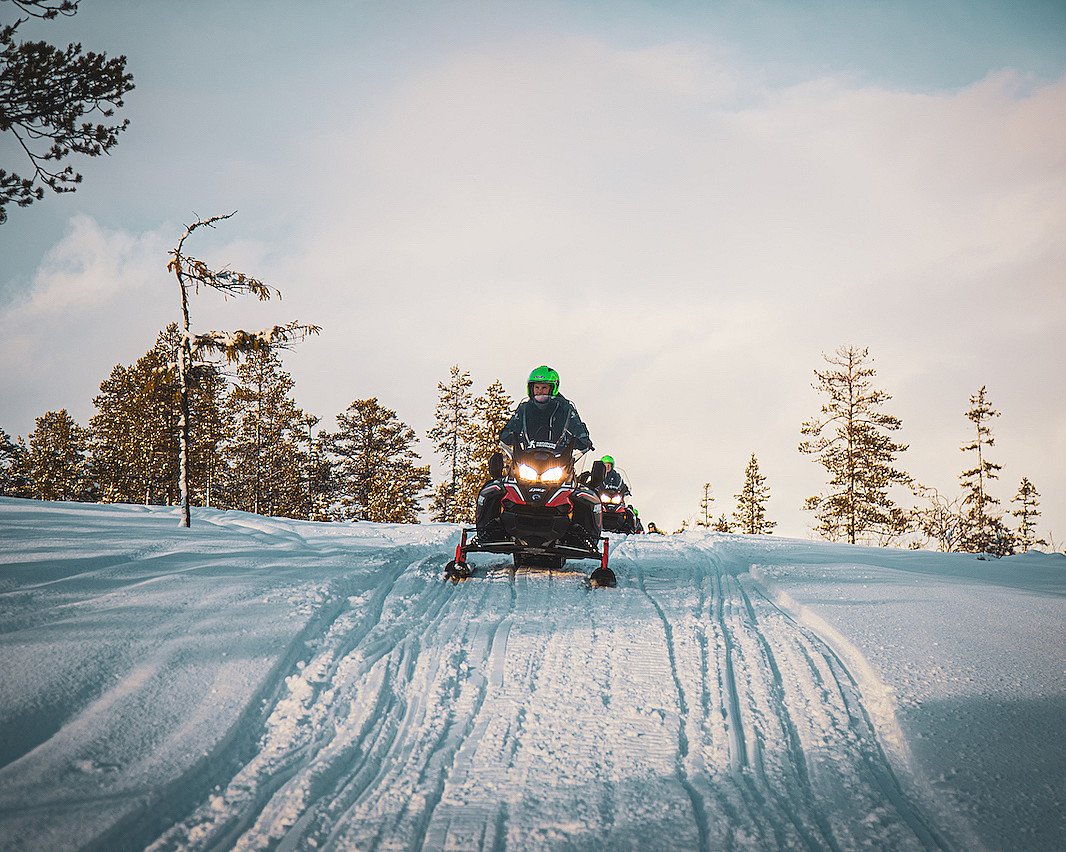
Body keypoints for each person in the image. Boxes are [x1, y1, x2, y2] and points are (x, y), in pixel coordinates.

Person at [476, 365, 601, 548]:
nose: (540, 391)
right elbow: (512, 426)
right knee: (492, 490)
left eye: (544, 387)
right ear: (530, 388)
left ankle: (582, 536)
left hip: (558, 460)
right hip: (528, 459)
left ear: (553, 388)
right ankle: (489, 530)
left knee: (584, 497)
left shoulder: (566, 409)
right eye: (536, 387)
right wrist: (507, 435)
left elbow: (577, 427)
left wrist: (582, 438)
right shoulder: (525, 409)